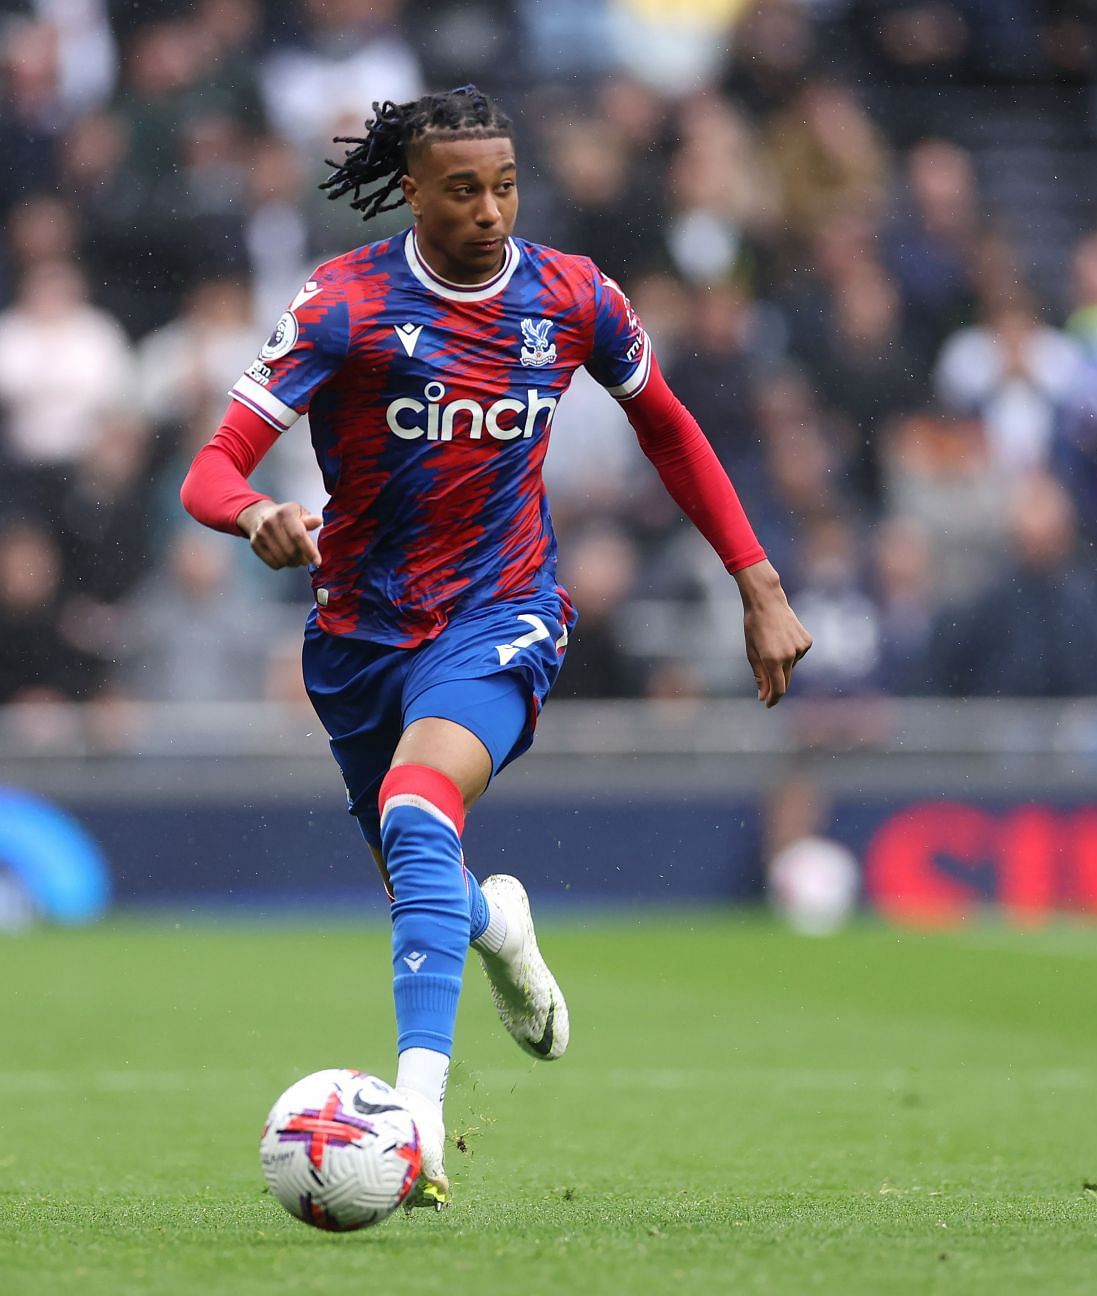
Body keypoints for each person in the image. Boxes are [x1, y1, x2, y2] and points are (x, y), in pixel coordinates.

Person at [180, 87, 811, 1210]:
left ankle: (413, 1119)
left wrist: (755, 581)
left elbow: (666, 422)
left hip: (502, 610)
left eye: (505, 186)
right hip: (357, 636)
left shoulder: (573, 296)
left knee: (421, 812)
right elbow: (209, 472)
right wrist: (256, 517)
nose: (489, 210)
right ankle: (495, 924)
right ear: (412, 193)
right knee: (418, 874)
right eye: (463, 190)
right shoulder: (343, 306)